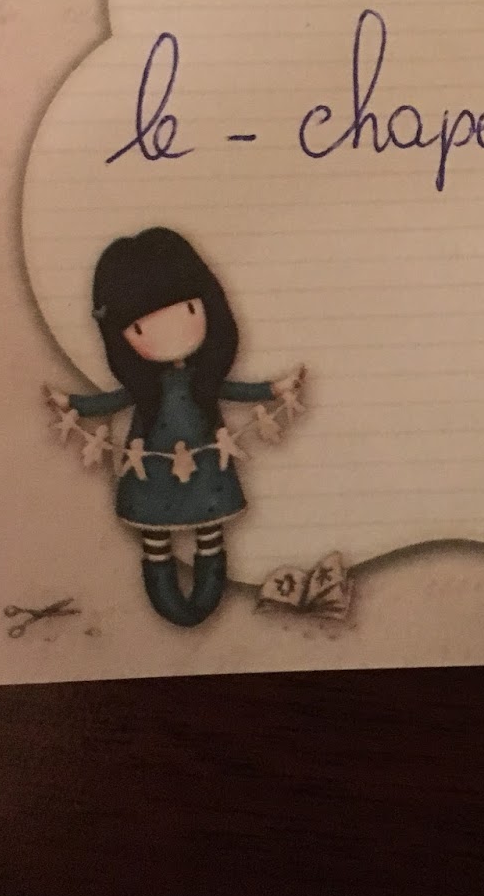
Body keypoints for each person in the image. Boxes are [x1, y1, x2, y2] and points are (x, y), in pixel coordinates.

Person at [47, 227, 301, 627]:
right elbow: (113, 400)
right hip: (152, 468)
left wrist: (274, 389)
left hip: (205, 469)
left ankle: (204, 596)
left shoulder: (203, 381)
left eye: (188, 310)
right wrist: (73, 404)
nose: (171, 333)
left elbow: (234, 389)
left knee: (209, 533)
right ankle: (168, 599)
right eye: (140, 328)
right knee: (156, 541)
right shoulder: (145, 388)